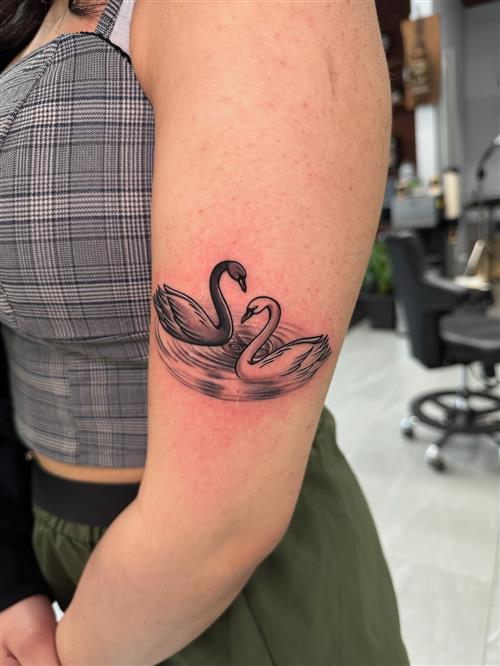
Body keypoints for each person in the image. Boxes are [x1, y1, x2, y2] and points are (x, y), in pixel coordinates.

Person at [0, 1, 410, 664]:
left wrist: (73, 654)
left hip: (227, 601)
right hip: (48, 544)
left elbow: (219, 526)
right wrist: (9, 576)